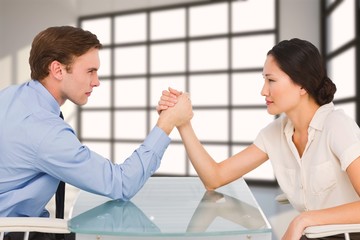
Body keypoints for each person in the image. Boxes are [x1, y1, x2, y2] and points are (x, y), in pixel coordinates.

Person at [0, 26, 192, 240]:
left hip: (30, 225)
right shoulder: (44, 131)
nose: (97, 81)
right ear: (58, 70)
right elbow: (121, 184)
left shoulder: (10, 96)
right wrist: (167, 123)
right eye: (90, 71)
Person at [157, 38, 360, 240]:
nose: (263, 91)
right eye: (264, 80)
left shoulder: (337, 126)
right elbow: (214, 178)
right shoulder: (274, 134)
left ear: (302, 85)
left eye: (271, 80)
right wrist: (182, 123)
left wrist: (304, 220)